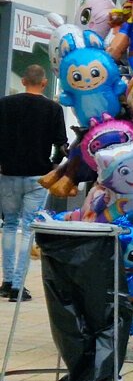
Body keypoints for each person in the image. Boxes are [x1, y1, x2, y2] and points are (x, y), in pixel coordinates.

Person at [0, 65, 67, 302]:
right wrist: (52, 165)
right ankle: (18, 286)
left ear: (25, 80)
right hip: (38, 176)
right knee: (29, 228)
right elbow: (62, 145)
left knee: (9, 224)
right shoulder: (53, 108)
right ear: (45, 83)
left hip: (7, 173)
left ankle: (6, 282)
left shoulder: (5, 104)